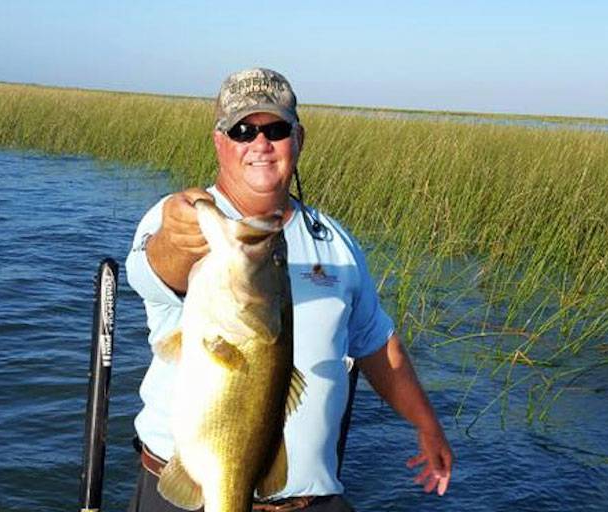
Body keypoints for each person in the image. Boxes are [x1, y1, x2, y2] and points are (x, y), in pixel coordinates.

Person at [125, 68, 453, 511]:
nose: (260, 144)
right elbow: (161, 268)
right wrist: (177, 236)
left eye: (275, 129)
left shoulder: (335, 241)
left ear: (298, 138)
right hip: (189, 497)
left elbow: (375, 341)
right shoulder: (184, 221)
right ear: (219, 141)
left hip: (310, 499)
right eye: (242, 130)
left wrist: (427, 423)